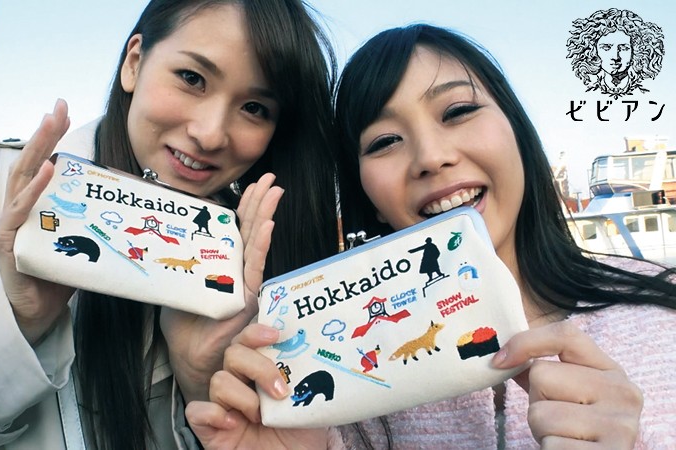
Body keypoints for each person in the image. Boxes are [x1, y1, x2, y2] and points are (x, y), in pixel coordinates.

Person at [185, 24, 676, 449]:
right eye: (385, 141)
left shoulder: (662, 311)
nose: (430, 157)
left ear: (516, 129)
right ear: (367, 197)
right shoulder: (338, 385)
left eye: (457, 111)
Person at [0, 0, 340, 448]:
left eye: (255, 108)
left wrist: (198, 381)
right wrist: (18, 320)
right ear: (134, 62)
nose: (210, 133)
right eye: (192, 78)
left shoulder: (255, 264)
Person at [566, 8, 664, 99]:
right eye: (606, 48)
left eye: (624, 48)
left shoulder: (649, 94)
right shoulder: (584, 93)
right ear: (592, 50)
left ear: (637, 50)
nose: (615, 57)